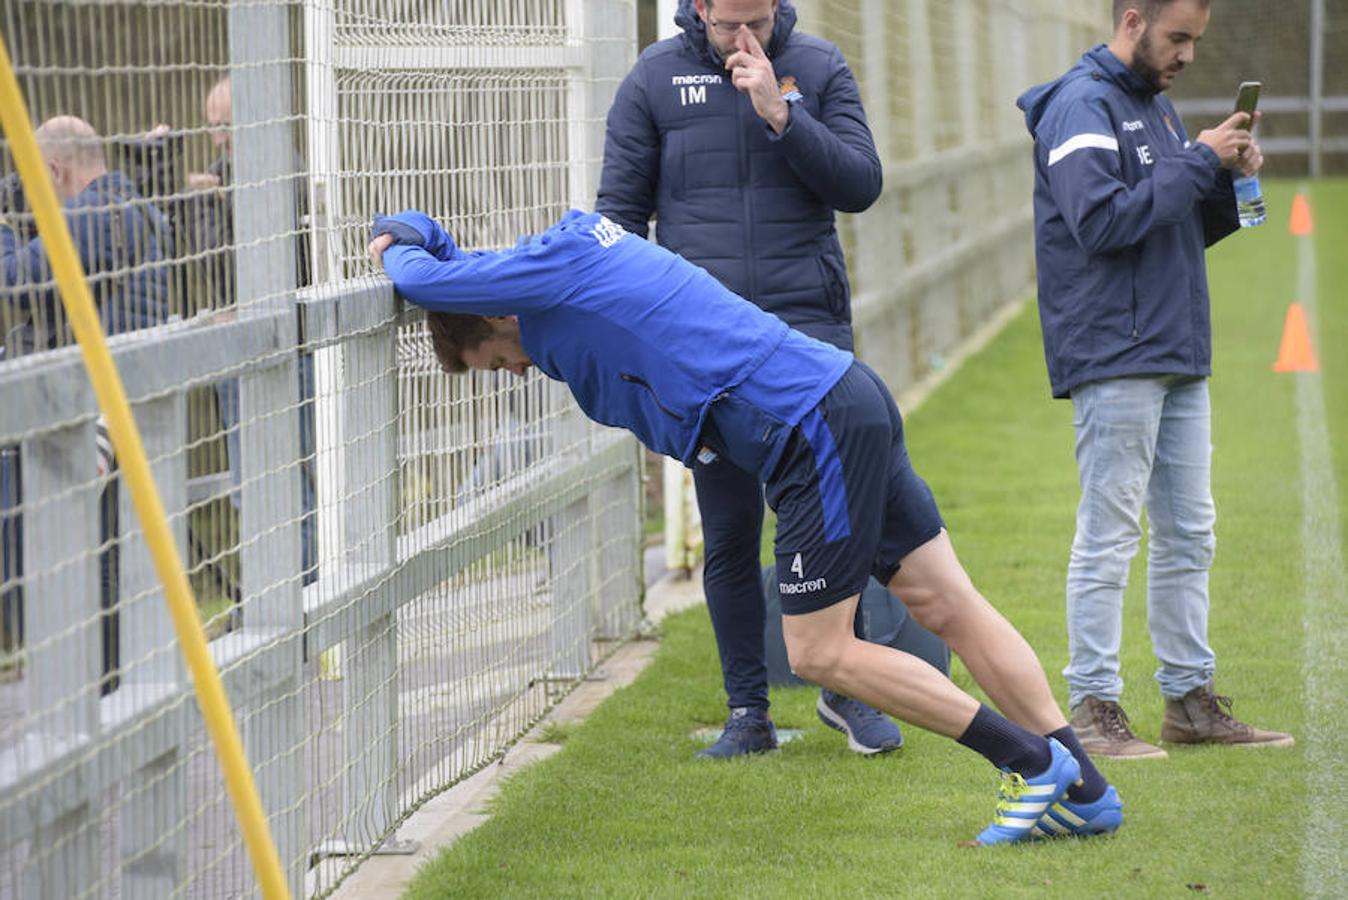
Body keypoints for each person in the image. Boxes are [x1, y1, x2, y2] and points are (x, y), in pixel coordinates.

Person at [366, 207, 1124, 844]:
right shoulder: (560, 260)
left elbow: (432, 276)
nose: (519, 372)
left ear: (500, 314)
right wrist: (405, 227)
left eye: (500, 361)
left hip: (805, 427)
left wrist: (395, 247)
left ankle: (1029, 764)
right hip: (842, 396)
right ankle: (1089, 795)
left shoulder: (549, 278)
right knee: (946, 603)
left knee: (819, 651)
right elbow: (450, 265)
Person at [596, 0, 899, 758]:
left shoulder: (820, 68)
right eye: (731, 23)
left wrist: (783, 112)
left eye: (758, 22)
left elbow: (861, 184)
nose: (744, 39)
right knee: (730, 528)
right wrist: (652, 335)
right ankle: (748, 714)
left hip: (808, 332)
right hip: (704, 348)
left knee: (836, 520)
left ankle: (848, 691)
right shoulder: (652, 80)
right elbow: (618, 220)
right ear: (699, 8)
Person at [1016, 0, 1293, 759]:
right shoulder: (1079, 105)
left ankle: (1189, 700)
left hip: (1173, 347)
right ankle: (1092, 708)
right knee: (1111, 535)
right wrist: (1199, 160)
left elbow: (1175, 225)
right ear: (1132, 21)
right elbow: (1101, 223)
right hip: (1115, 351)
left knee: (1189, 533)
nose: (1188, 56)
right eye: (1178, 38)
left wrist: (1228, 182)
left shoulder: (1157, 110)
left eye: (1196, 41)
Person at [0, 115, 173, 692]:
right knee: (112, 570)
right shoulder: (140, 211)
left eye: (31, 183)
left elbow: (12, 282)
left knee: (70, 574)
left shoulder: (91, 217)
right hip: (132, 420)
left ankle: (86, 702)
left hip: (92, 426)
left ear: (55, 170)